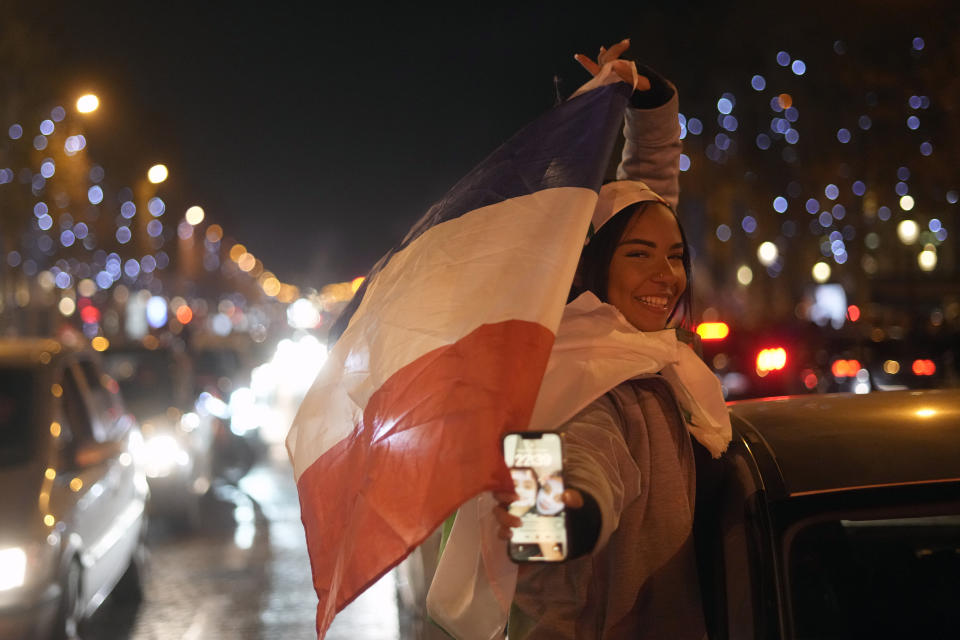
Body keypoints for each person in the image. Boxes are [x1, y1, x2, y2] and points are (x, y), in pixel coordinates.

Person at [490, 40, 731, 639]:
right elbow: (547, 520)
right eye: (640, 255)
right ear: (590, 268)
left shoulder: (640, 349)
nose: (665, 275)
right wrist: (571, 510)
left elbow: (647, 191)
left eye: (675, 256)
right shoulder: (571, 373)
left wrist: (643, 98)